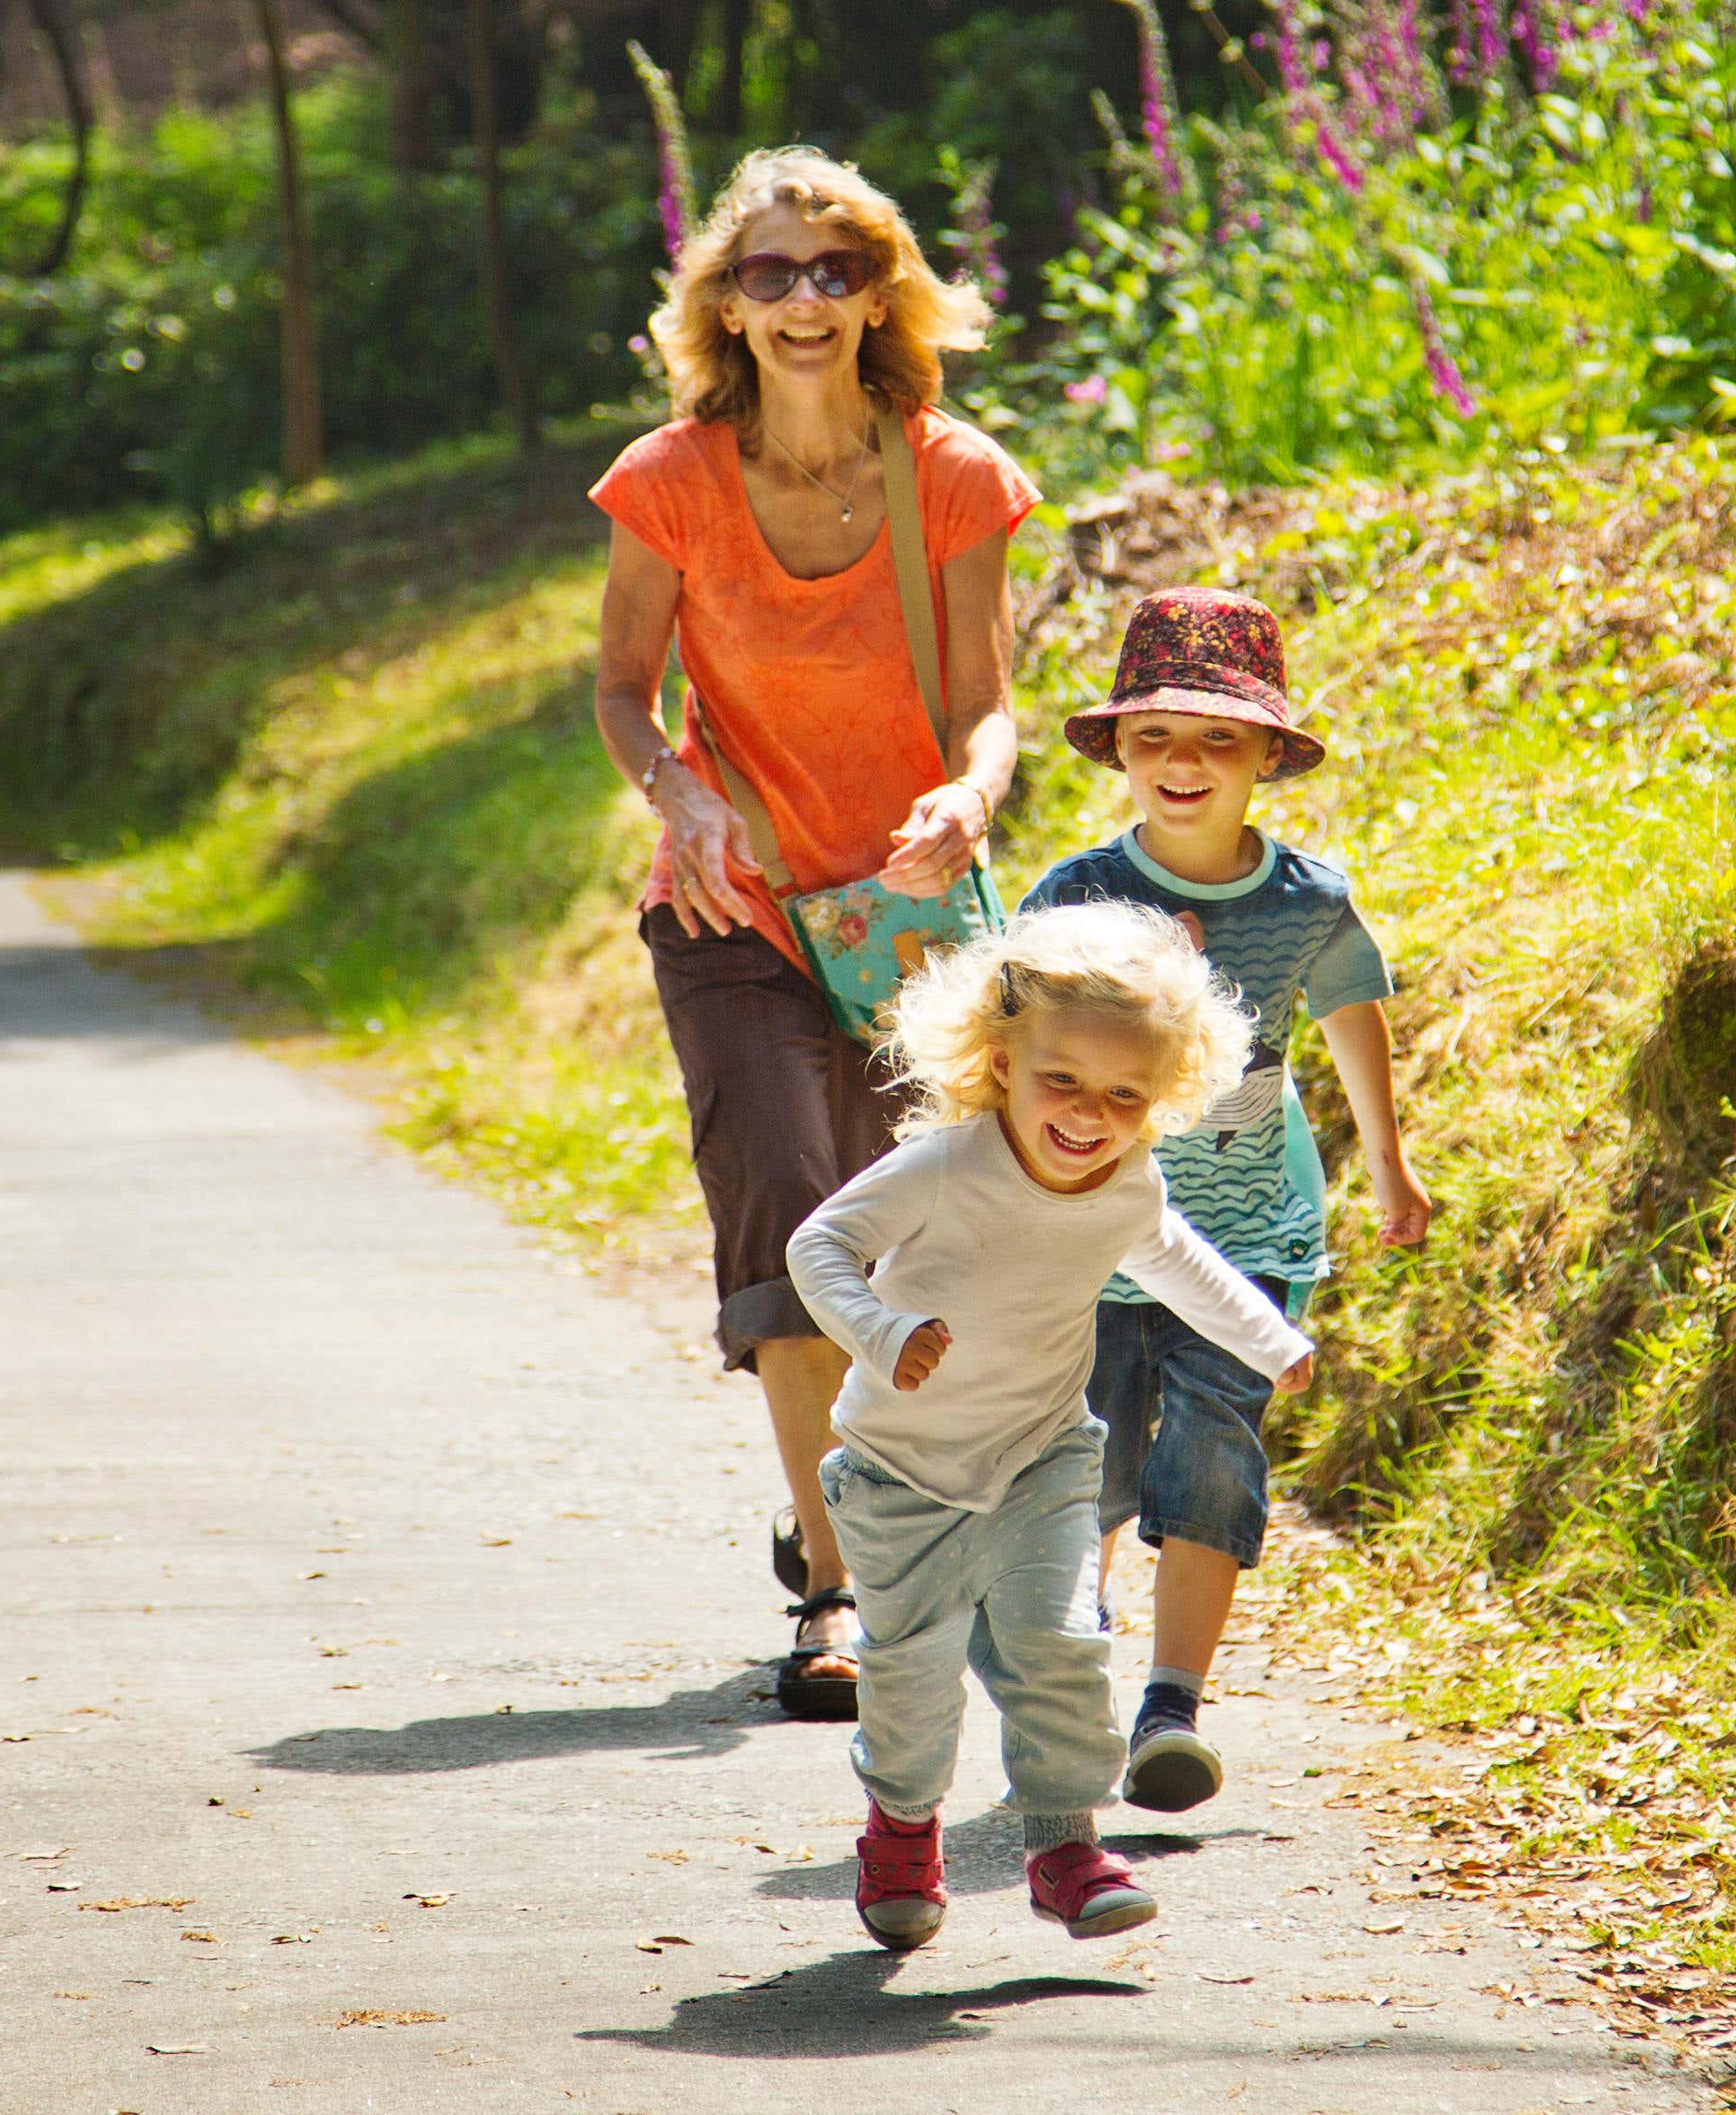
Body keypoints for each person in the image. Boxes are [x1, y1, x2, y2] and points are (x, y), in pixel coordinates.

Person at [587, 146, 1039, 1719]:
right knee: (788, 1209)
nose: (798, 299)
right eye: (766, 273)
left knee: (902, 1236)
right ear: (722, 299)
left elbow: (986, 713)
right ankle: (835, 1602)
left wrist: (968, 803)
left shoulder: (952, 474)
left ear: (878, 296)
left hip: (908, 910)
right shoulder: (666, 480)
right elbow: (618, 696)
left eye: (831, 270)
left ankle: (832, 1499)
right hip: (732, 908)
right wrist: (679, 799)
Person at [784, 901, 1316, 1950]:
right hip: (901, 1468)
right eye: (1060, 1080)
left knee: (1061, 1648)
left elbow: (1176, 1258)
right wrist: (882, 1331)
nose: (1088, 1114)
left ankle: (1065, 1846)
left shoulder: (1126, 1182)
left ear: (1162, 1099)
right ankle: (901, 1824)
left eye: (1125, 1094)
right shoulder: (946, 1165)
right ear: (999, 1060)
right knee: (914, 1673)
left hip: (1043, 1459)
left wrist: (1269, 1341)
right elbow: (818, 1246)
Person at [1019, 586, 1436, 1815]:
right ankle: (1070, 1661)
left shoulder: (1309, 900)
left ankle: (1170, 1708)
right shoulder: (1074, 893)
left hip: (1250, 1231)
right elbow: (1016, 1056)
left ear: (1266, 755)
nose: (1182, 764)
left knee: (1211, 1452)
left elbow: (1353, 1022)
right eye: (1153, 737)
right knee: (1081, 1458)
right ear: (1121, 757)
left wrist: (1391, 1165)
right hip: (1089, 1236)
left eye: (1215, 738)